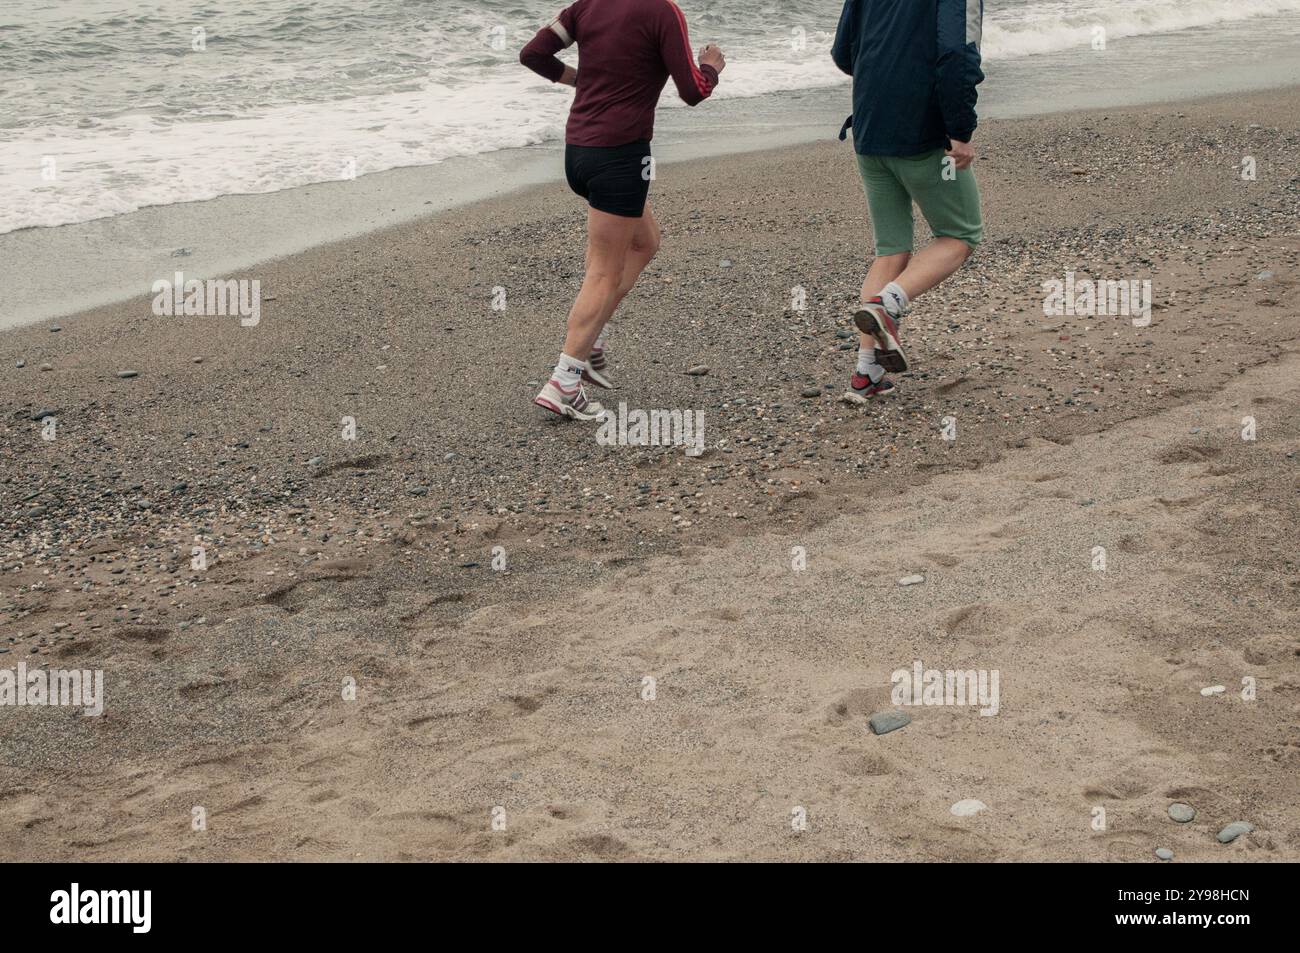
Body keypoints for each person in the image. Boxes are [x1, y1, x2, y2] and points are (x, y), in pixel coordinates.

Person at [520, 1, 726, 420]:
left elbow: (533, 54)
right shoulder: (662, 12)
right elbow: (692, 92)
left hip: (578, 151)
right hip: (621, 157)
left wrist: (579, 80)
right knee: (603, 271)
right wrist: (711, 68)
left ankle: (590, 339)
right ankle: (564, 382)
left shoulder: (586, 5)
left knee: (646, 241)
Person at [832, 0, 985, 402]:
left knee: (891, 252)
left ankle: (867, 373)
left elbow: (843, 52)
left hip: (869, 128)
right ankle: (889, 305)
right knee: (959, 234)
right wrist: (961, 129)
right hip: (921, 135)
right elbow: (957, 54)